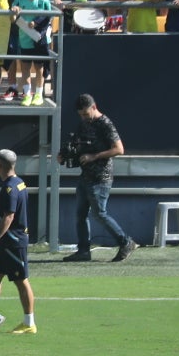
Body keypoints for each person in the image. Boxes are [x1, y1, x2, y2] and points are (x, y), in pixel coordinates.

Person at [66, 93, 135, 262]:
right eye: (81, 115)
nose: (84, 117)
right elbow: (79, 146)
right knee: (80, 214)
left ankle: (125, 242)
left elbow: (119, 149)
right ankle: (83, 251)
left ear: (94, 107)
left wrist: (94, 156)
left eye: (86, 114)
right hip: (86, 175)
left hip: (100, 176)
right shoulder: (84, 124)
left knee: (99, 213)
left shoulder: (105, 123)